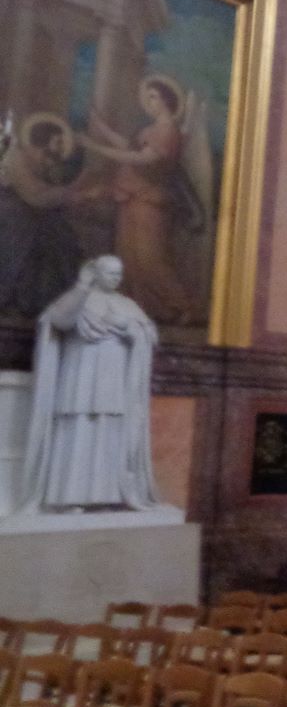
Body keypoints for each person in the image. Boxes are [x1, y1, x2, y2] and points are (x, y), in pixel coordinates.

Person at [19, 255, 160, 511]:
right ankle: (70, 498)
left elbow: (147, 335)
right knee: (78, 431)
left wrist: (128, 327)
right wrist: (82, 287)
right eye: (110, 273)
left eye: (119, 274)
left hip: (113, 381)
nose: (116, 279)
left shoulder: (127, 304)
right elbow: (58, 320)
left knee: (110, 432)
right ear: (96, 273)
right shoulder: (78, 298)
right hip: (80, 377)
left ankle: (108, 496)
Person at [76, 75, 208, 325]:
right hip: (131, 200)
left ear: (167, 100)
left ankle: (182, 306)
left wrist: (94, 146)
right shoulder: (149, 130)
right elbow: (129, 145)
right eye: (146, 97)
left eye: (153, 96)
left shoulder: (168, 131)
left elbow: (140, 159)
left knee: (150, 259)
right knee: (128, 258)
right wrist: (102, 128)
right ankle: (140, 309)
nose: (148, 102)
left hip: (151, 202)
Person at [0, 113, 84, 316]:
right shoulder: (16, 156)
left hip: (35, 212)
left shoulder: (47, 161)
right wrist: (70, 194)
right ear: (43, 136)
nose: (61, 145)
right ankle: (11, 296)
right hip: (11, 211)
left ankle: (43, 300)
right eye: (58, 140)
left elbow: (48, 192)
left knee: (63, 239)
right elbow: (34, 195)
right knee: (26, 239)